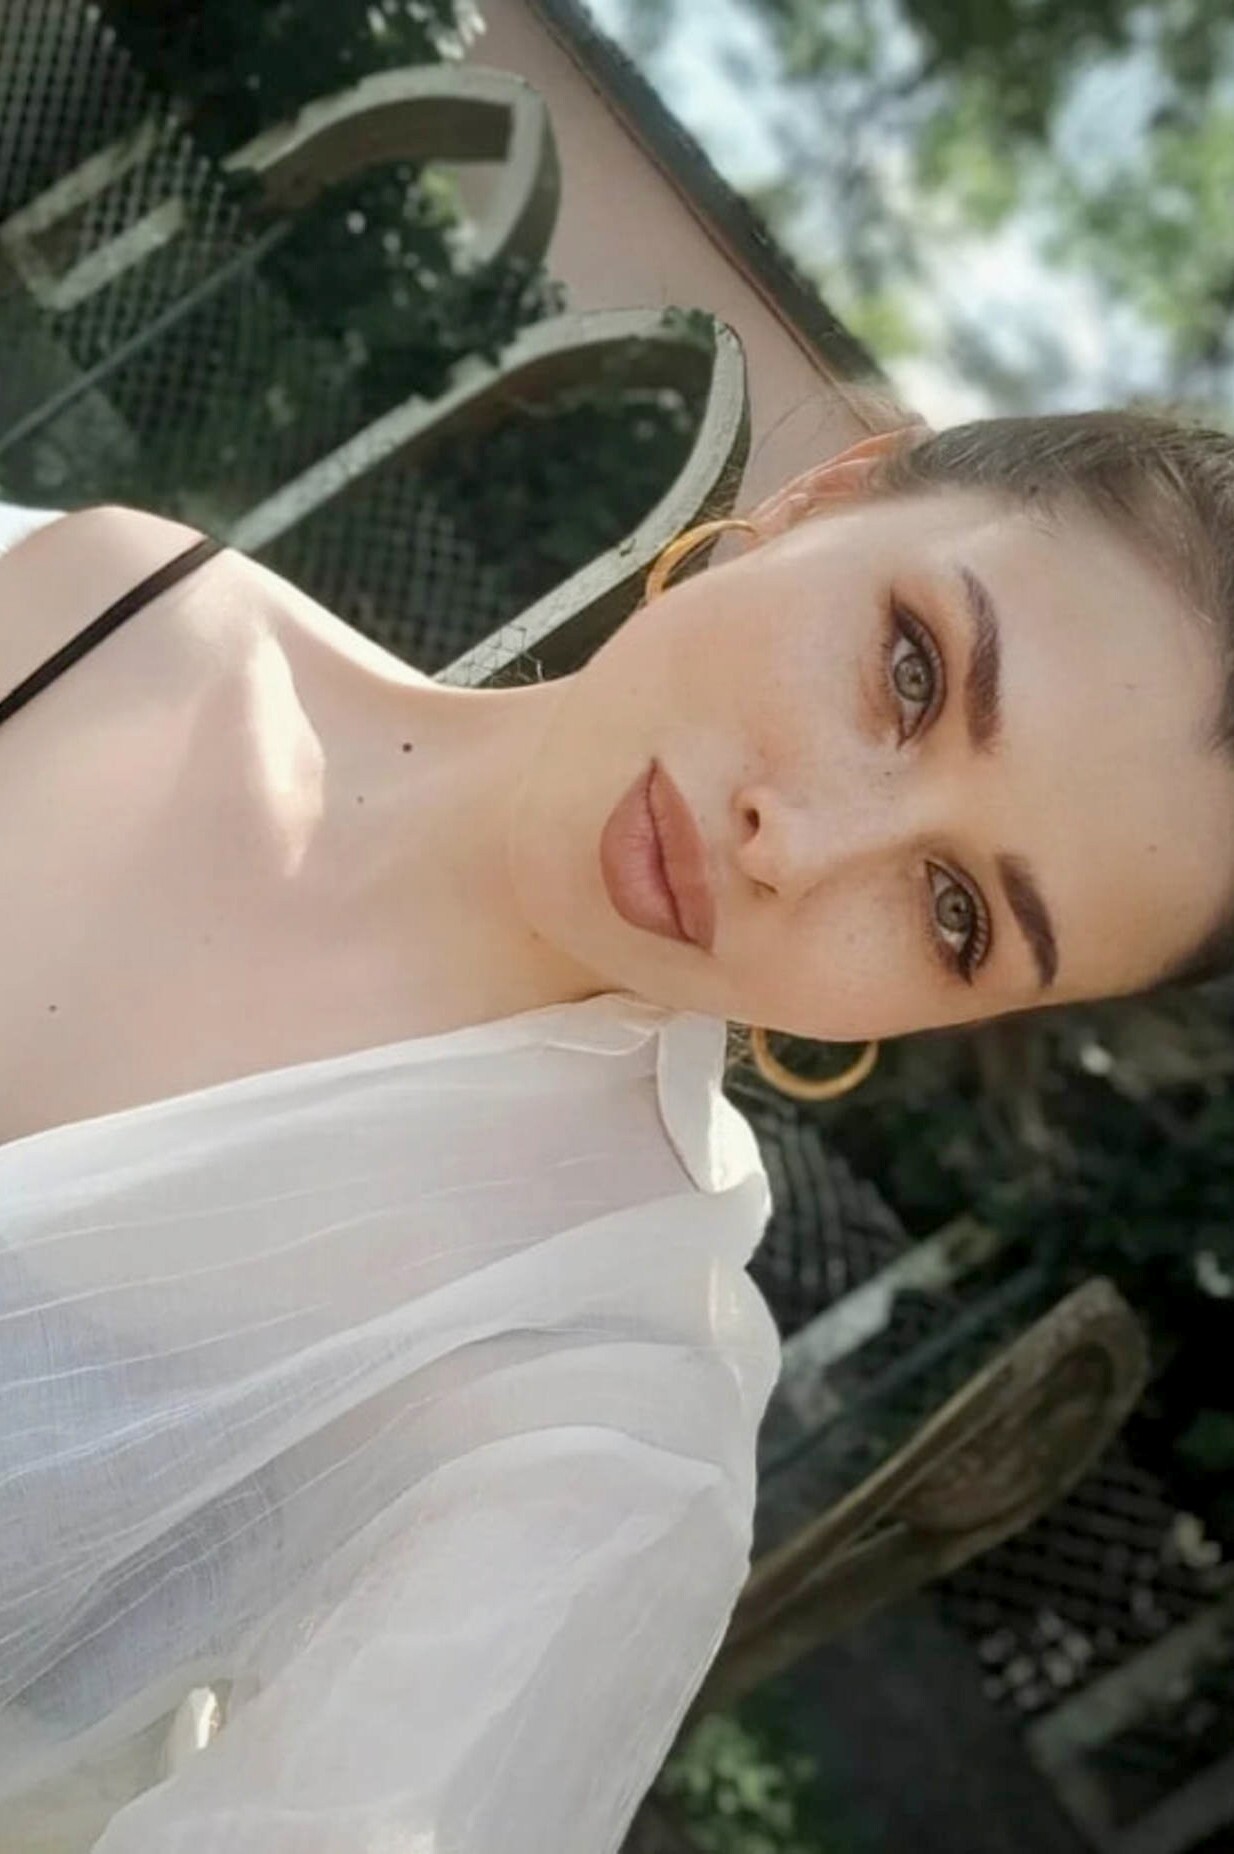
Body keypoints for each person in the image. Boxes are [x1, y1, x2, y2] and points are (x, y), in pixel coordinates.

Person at [0, 404, 1231, 1850]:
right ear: (829, 493)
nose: (801, 847)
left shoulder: (600, 1416)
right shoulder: (111, 610)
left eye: (954, 913)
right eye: (911, 672)